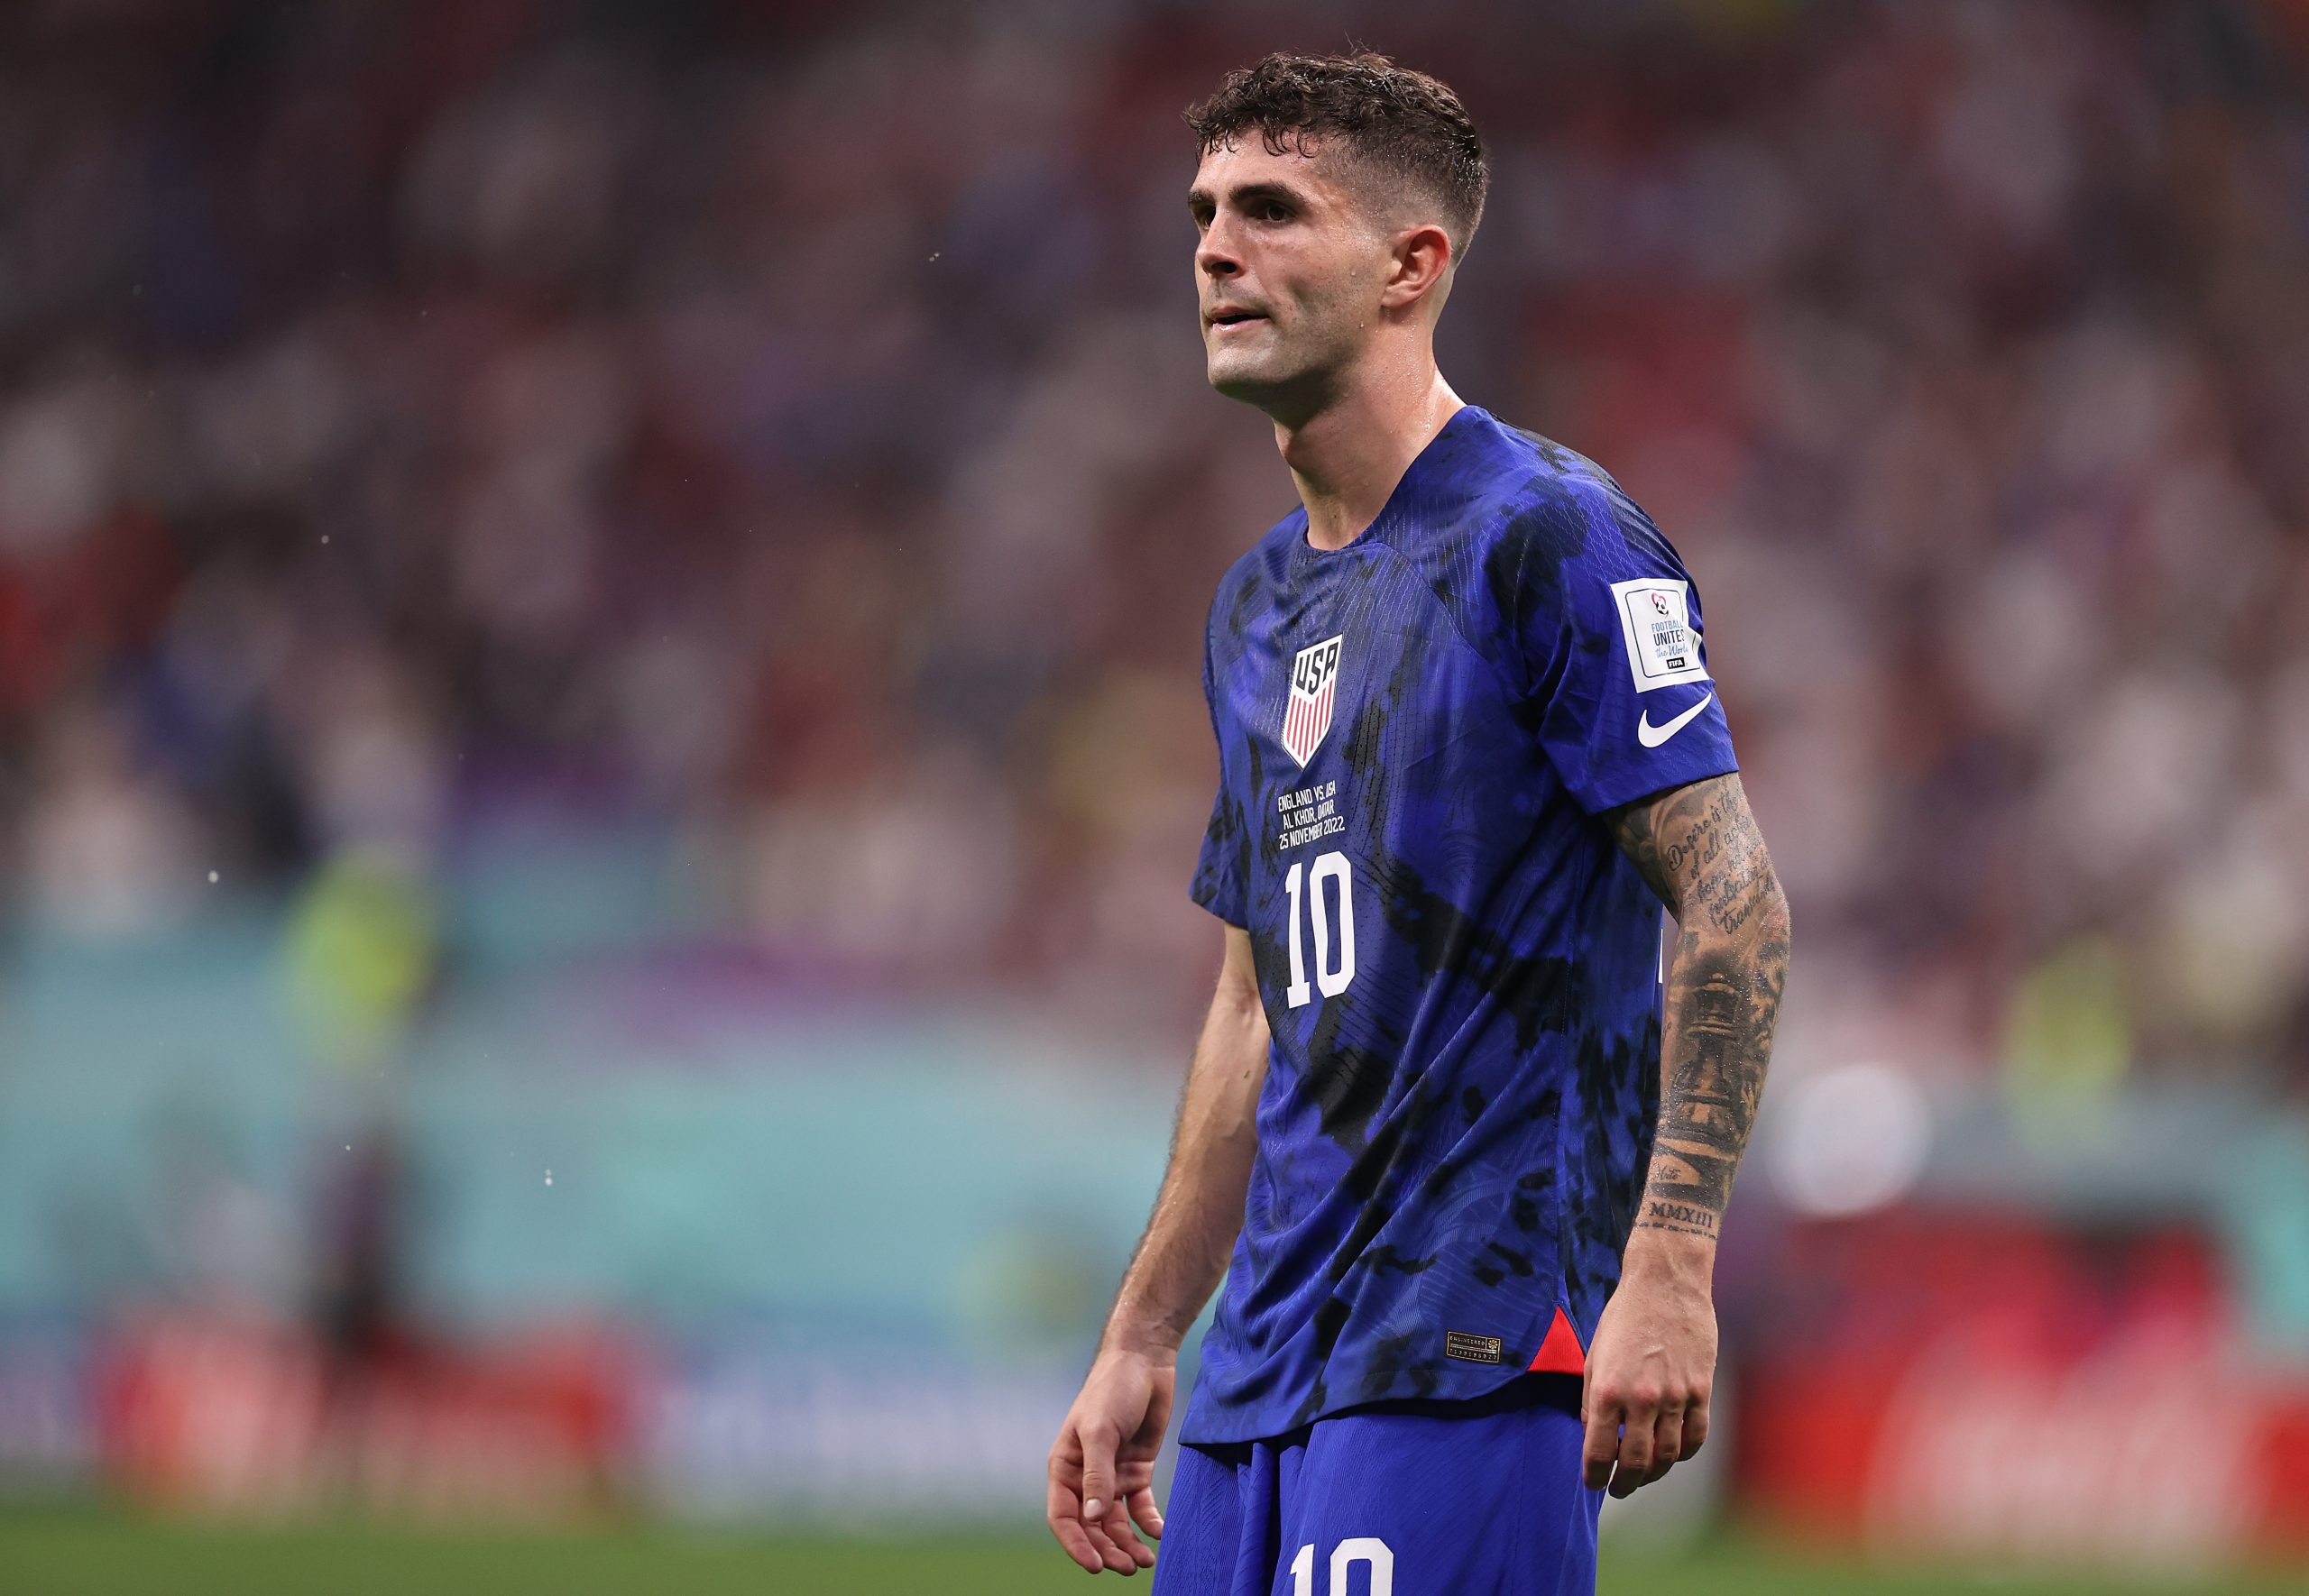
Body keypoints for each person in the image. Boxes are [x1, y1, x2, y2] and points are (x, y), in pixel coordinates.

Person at [1045, 50, 1791, 1594]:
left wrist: (1669, 1262)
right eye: (1203, 211)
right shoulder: (1256, 605)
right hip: (1260, 1371)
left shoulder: (1552, 535)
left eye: (1270, 209)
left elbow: (1733, 906)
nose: (1212, 247)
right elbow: (1256, 1005)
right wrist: (1141, 1330)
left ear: (1412, 264)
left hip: (1472, 1334)